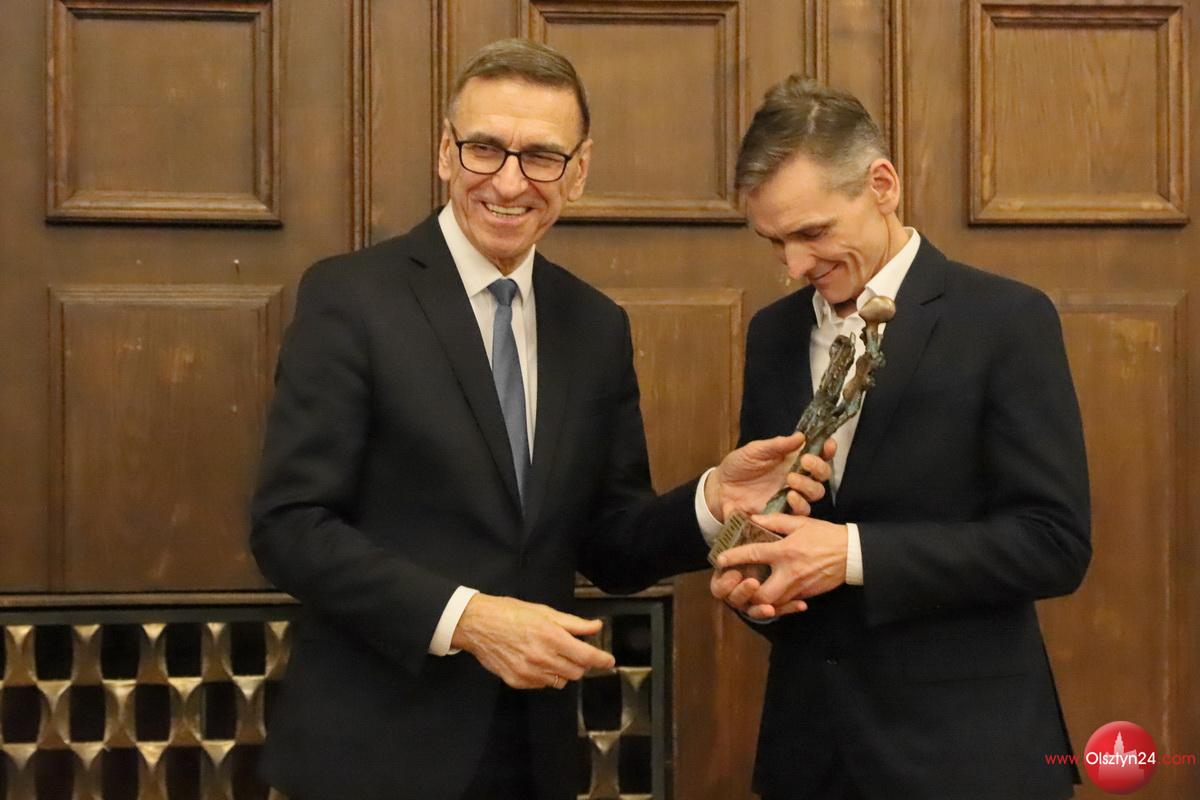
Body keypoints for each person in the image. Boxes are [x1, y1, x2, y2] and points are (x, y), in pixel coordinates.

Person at [250, 40, 830, 800]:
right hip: (372, 755)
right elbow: (290, 528)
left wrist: (711, 501)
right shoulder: (350, 298)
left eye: (542, 157)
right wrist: (468, 620)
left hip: (533, 755)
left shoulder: (594, 324)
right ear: (445, 152)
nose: (509, 181)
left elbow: (610, 544)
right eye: (485, 148)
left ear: (579, 171)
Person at [710, 76, 1092, 800]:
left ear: (881, 185)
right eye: (774, 242)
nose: (794, 267)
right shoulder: (771, 334)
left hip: (969, 760)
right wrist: (755, 585)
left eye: (812, 233)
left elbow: (1054, 544)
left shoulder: (1006, 319)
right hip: (809, 759)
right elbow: (779, 523)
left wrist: (851, 556)